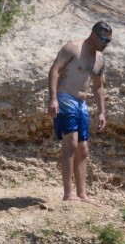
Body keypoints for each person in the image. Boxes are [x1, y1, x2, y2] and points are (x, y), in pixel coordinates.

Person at [47, 21, 112, 204]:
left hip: (81, 103)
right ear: (94, 35)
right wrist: (53, 99)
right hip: (64, 97)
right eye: (104, 40)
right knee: (72, 143)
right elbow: (54, 70)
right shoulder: (73, 48)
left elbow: (98, 86)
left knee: (83, 149)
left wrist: (101, 112)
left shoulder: (99, 59)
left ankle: (82, 194)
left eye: (109, 41)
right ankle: (68, 193)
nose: (106, 44)